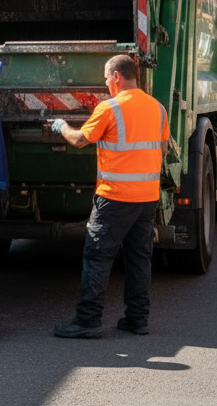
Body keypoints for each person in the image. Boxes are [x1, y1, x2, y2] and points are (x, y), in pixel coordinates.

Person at [49, 54, 168, 338]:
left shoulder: (110, 108)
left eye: (106, 78)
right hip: (147, 198)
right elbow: (161, 150)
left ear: (116, 76)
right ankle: (137, 319)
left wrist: (61, 126)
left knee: (98, 257)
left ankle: (88, 321)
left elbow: (79, 140)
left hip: (115, 198)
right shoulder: (158, 108)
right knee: (139, 259)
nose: (105, 83)